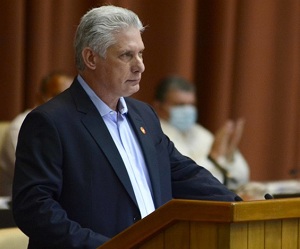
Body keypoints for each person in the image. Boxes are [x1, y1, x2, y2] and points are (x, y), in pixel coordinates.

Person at [12, 6, 241, 249]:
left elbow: (182, 173)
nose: (140, 66)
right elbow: (35, 210)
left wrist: (240, 207)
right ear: (91, 58)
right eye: (126, 55)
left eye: (141, 54)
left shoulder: (144, 115)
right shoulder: (50, 121)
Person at [153, 75, 250, 191]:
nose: (187, 110)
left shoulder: (200, 133)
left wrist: (230, 154)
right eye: (180, 105)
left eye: (191, 104)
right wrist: (214, 157)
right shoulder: (155, 134)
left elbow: (241, 178)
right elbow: (190, 182)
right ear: (158, 106)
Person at [0, 72, 72, 196]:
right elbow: (35, 177)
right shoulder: (21, 127)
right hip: (22, 206)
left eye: (69, 96)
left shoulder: (71, 125)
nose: (65, 102)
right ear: (40, 97)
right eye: (58, 95)